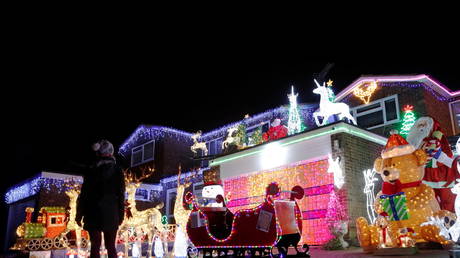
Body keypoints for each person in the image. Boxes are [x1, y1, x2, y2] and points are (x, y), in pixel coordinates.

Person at [76, 140, 125, 258]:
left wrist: (79, 215)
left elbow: (84, 195)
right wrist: (120, 215)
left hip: (93, 214)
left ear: (98, 154)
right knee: (111, 247)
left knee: (95, 246)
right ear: (111, 152)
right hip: (111, 214)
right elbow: (121, 195)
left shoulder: (91, 171)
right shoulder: (118, 170)